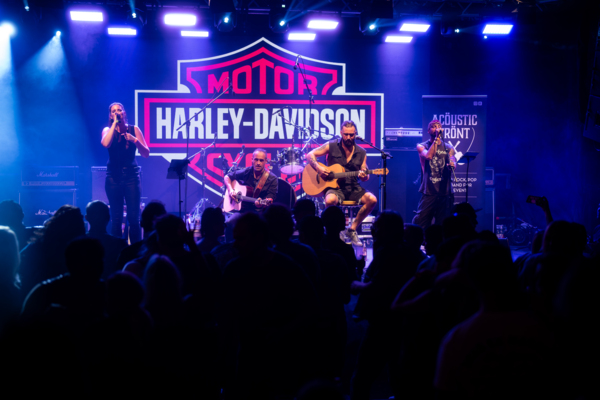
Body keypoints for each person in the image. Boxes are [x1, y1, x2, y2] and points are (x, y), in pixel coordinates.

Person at [306, 120, 377, 246]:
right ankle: (333, 232)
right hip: (334, 188)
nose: (348, 137)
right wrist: (319, 168)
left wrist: (365, 175)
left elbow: (365, 174)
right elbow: (310, 154)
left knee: (372, 200)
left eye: (351, 135)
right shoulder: (331, 145)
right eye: (346, 134)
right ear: (341, 133)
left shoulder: (362, 152)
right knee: (329, 200)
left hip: (353, 187)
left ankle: (352, 229)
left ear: (355, 134)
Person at [101, 102, 150, 244]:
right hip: (113, 178)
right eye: (113, 111)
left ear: (124, 113)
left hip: (131, 177)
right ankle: (117, 252)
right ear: (111, 115)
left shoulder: (134, 129)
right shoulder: (107, 130)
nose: (117, 112)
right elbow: (105, 144)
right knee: (116, 218)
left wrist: (135, 140)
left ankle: (135, 251)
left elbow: (146, 153)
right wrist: (114, 125)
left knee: (133, 219)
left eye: (119, 110)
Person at [412, 119, 456, 229]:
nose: (436, 128)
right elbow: (428, 156)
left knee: (443, 224)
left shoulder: (449, 147)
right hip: (429, 190)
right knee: (421, 222)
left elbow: (453, 160)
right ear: (428, 130)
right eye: (433, 126)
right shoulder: (422, 146)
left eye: (438, 126)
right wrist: (436, 139)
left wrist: (452, 164)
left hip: (445, 191)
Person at [223, 148, 277, 213]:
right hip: (243, 211)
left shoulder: (272, 179)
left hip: (260, 213)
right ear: (252, 159)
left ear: (266, 161)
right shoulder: (247, 171)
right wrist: (230, 190)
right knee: (230, 220)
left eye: (261, 160)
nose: (258, 163)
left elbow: (270, 199)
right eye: (256, 159)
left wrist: (261, 204)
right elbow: (227, 177)